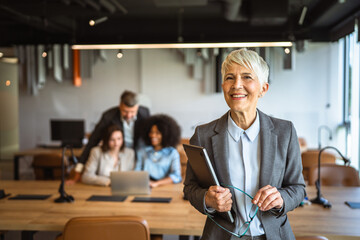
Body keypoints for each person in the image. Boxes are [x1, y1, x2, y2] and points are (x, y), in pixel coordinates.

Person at [183, 49, 306, 240]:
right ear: (223, 85)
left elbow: (298, 188)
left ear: (263, 89)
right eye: (230, 78)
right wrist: (207, 200)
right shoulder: (203, 135)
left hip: (273, 235)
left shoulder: (285, 132)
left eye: (247, 77)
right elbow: (190, 188)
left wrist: (281, 199)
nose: (236, 85)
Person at [68, 90, 150, 184]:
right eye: (125, 111)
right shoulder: (108, 116)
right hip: (119, 153)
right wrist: (78, 171)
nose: (129, 115)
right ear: (120, 105)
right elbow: (92, 142)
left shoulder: (145, 113)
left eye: (132, 112)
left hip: (136, 154)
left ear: (137, 107)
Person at [135, 114, 182, 188]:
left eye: (157, 133)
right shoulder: (142, 152)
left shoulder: (172, 153)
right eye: (151, 132)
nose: (153, 135)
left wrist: (156, 183)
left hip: (165, 188)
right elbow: (136, 173)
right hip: (144, 187)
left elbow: (176, 176)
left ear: (166, 134)